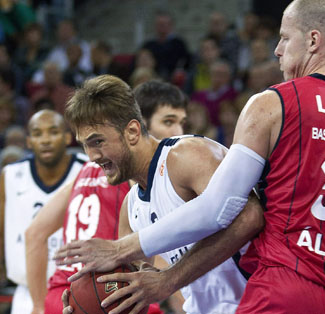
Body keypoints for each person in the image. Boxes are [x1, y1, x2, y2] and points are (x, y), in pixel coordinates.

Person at [57, 0, 325, 314]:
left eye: (284, 38)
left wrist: (124, 251)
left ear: (313, 39)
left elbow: (223, 209)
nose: (277, 50)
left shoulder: (274, 103)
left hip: (289, 284)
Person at [55, 75, 263, 314]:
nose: (91, 156)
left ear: (132, 131)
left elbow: (249, 218)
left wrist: (169, 280)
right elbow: (136, 288)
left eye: (97, 142)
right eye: (85, 145)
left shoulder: (186, 155)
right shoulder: (131, 206)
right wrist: (89, 301)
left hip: (259, 303)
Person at [25, 80, 189, 314]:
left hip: (63, 295)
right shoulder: (130, 173)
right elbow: (159, 257)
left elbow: (34, 233)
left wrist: (38, 307)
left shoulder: (86, 171)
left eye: (180, 123)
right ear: (137, 126)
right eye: (168, 122)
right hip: (103, 290)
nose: (177, 133)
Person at [0, 110, 87, 314]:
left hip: (78, 289)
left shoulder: (87, 169)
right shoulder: (11, 176)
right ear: (29, 141)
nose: (45, 140)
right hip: (26, 292)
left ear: (68, 137)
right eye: (38, 134)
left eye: (53, 132)